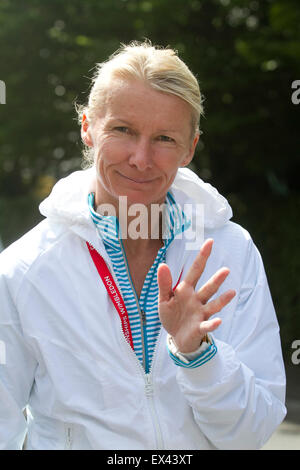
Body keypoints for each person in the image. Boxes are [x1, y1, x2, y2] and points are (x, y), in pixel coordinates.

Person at [0, 41, 286, 450]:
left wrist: (199, 356)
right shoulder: (23, 270)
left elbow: (251, 434)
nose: (141, 158)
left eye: (165, 138)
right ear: (87, 127)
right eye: (123, 130)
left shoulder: (231, 252)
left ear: (190, 147)